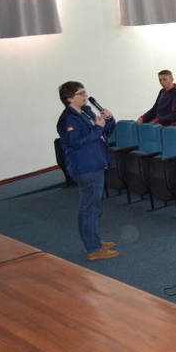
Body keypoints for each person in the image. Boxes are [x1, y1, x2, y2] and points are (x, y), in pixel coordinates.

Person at [57, 81, 118, 261]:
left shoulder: (85, 112)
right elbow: (77, 142)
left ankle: (93, 241)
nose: (85, 96)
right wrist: (98, 127)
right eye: (81, 93)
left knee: (91, 206)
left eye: (84, 92)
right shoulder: (68, 119)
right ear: (70, 98)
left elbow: (104, 133)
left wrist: (108, 120)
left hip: (95, 162)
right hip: (86, 166)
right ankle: (93, 249)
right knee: (90, 207)